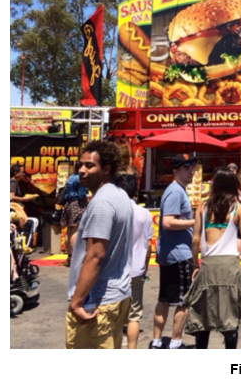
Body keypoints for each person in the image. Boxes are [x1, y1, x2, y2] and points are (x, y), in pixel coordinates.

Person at [65, 140, 133, 349]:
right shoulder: (119, 195)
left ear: (106, 169)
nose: (82, 170)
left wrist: (77, 301)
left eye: (89, 166)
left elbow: (95, 256)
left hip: (96, 301)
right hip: (116, 295)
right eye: (81, 165)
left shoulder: (102, 202)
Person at [185, 167, 241, 349]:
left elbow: (195, 240)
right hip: (230, 268)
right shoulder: (238, 209)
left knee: (203, 317)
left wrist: (195, 265)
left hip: (208, 267)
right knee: (230, 317)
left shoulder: (203, 207)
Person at [151, 153, 197, 349]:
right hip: (178, 254)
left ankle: (157, 341)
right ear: (176, 171)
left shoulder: (177, 190)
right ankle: (175, 342)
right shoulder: (176, 191)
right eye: (187, 168)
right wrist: (195, 222)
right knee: (183, 301)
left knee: (165, 298)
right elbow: (168, 222)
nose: (191, 171)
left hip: (172, 252)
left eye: (192, 167)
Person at [115, 168, 154, 349]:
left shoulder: (114, 212)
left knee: (113, 313)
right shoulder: (144, 214)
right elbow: (149, 246)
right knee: (134, 315)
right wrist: (145, 269)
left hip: (115, 270)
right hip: (137, 269)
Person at [60, 161, 88, 263]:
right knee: (76, 231)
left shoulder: (71, 177)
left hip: (69, 205)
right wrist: (89, 196)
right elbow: (81, 195)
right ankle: (75, 258)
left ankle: (70, 256)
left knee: (69, 231)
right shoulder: (80, 179)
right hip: (77, 205)